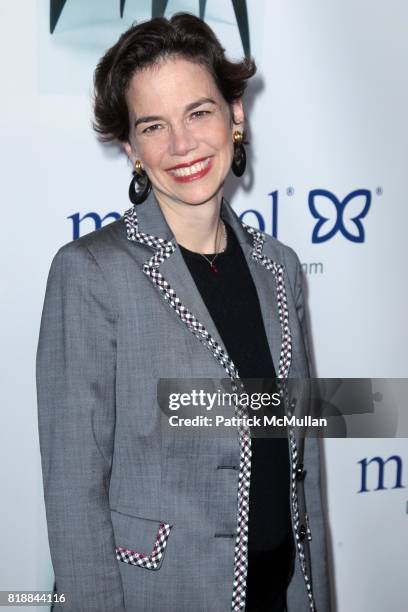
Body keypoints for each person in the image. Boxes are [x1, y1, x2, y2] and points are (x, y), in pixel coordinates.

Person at [36, 13, 331, 612]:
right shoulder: (92, 274)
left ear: (235, 115)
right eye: (153, 126)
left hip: (279, 595)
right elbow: (74, 493)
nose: (181, 145)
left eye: (199, 112)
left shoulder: (282, 268)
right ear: (131, 147)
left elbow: (303, 468)